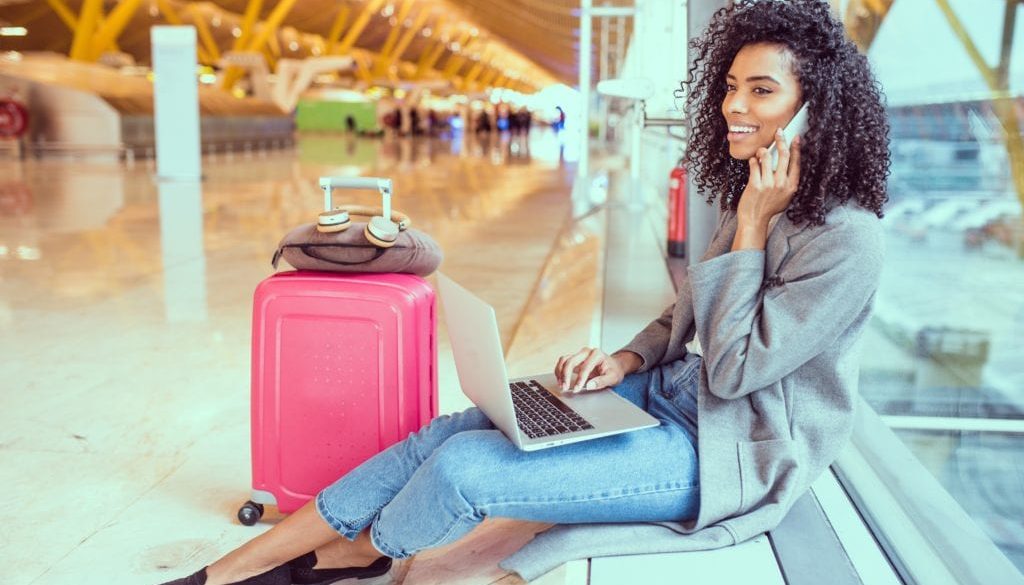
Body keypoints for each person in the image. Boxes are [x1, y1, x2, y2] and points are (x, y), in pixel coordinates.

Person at [159, 1, 890, 583]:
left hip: (731, 453)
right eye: (731, 86)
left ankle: (363, 553)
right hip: (672, 396)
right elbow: (687, 313)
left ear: (812, 109)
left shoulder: (845, 239)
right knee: (457, 425)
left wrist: (754, 233)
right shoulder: (757, 198)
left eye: (761, 91)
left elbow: (734, 369)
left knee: (462, 469)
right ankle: (232, 569)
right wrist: (627, 362)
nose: (734, 104)